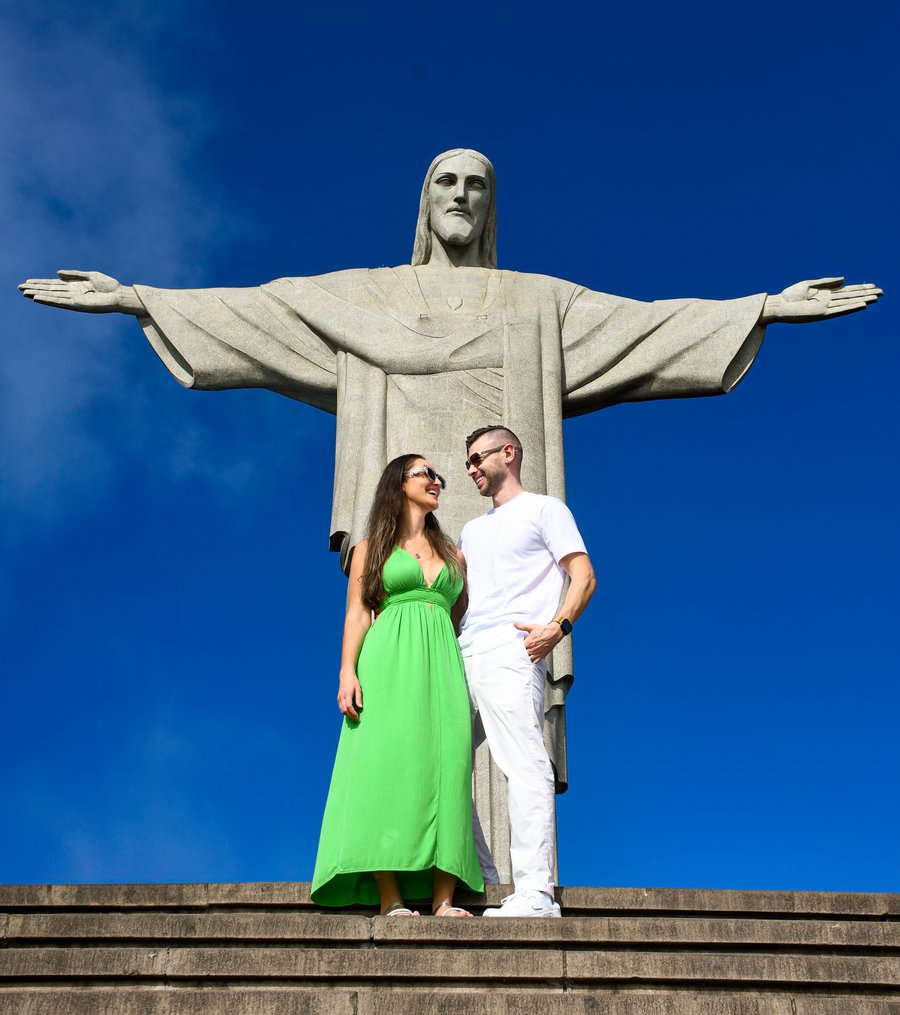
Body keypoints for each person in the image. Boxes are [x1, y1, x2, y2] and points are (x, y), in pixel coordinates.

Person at [19, 147, 882, 863]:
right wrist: (141, 298)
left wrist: (760, 308)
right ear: (424, 202)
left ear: (491, 205)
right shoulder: (366, 299)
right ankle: (415, 863)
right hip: (414, 553)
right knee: (413, 706)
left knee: (509, 715)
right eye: (446, 181)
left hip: (506, 556)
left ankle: (508, 882)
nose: (462, 195)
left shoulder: (538, 304)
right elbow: (265, 313)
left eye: (478, 184)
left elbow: (646, 328)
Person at [311, 454, 483, 916]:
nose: (436, 481)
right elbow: (356, 614)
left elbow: (459, 614)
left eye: (437, 476)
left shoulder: (455, 555)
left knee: (447, 767)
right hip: (386, 661)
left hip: (442, 665)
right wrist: (348, 672)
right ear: (398, 484)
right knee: (385, 768)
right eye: (425, 474)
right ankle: (391, 899)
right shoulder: (370, 549)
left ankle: (445, 900)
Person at [459, 426, 597, 918]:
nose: (472, 469)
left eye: (478, 459)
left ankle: (536, 892)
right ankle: (488, 883)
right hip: (463, 652)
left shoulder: (545, 509)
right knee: (446, 766)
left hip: (512, 650)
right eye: (469, 463)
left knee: (525, 763)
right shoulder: (471, 531)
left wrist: (558, 627)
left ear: (508, 453)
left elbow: (584, 574)